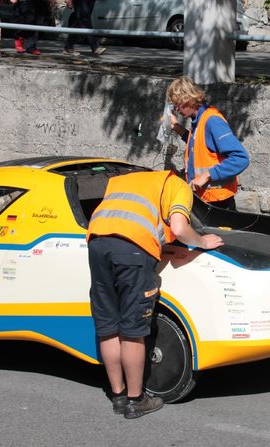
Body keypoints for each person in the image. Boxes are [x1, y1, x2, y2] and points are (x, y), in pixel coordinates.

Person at [86, 170, 224, 418]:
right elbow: (180, 228)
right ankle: (135, 400)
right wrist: (202, 241)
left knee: (108, 325)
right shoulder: (178, 185)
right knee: (132, 328)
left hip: (97, 243)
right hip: (132, 249)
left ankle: (117, 396)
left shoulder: (128, 180)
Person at [166, 76, 250, 210]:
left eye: (178, 104)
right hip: (205, 199)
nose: (176, 109)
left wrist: (206, 175)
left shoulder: (212, 121)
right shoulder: (198, 119)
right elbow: (199, 145)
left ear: (189, 99)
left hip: (219, 203)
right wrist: (178, 128)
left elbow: (241, 158)